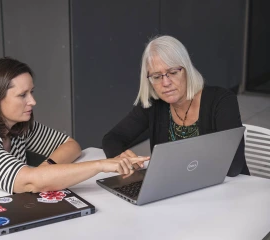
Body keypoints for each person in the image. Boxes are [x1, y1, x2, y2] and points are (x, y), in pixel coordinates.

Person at [0, 57, 149, 239]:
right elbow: (29, 182)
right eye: (22, 95)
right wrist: (100, 165)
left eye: (32, 92)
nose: (33, 101)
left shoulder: (18, 126)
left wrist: (47, 169)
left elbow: (70, 145)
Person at [102, 35, 249, 176]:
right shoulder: (154, 104)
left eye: (172, 72)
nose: (166, 83)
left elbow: (233, 166)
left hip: (228, 190)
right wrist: (121, 157)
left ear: (187, 70)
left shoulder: (221, 101)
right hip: (174, 189)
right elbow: (112, 138)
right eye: (157, 76)